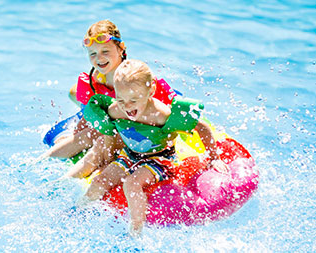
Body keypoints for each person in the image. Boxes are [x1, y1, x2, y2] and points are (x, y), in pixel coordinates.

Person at [79, 59, 228, 236]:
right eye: (120, 99)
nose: (127, 106)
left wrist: (214, 158)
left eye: (133, 99)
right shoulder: (115, 110)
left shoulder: (160, 114)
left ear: (151, 91)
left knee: (132, 185)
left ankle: (135, 233)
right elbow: (109, 129)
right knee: (99, 181)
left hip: (161, 158)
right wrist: (108, 153)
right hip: (130, 154)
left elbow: (201, 127)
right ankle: (79, 212)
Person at [36, 20, 176, 176]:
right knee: (89, 130)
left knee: (97, 135)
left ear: (121, 48)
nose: (99, 58)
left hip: (136, 134)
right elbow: (90, 115)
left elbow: (174, 109)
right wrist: (76, 134)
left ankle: (63, 172)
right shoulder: (93, 81)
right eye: (93, 53)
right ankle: (40, 162)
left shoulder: (136, 79)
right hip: (108, 127)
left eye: (105, 51)